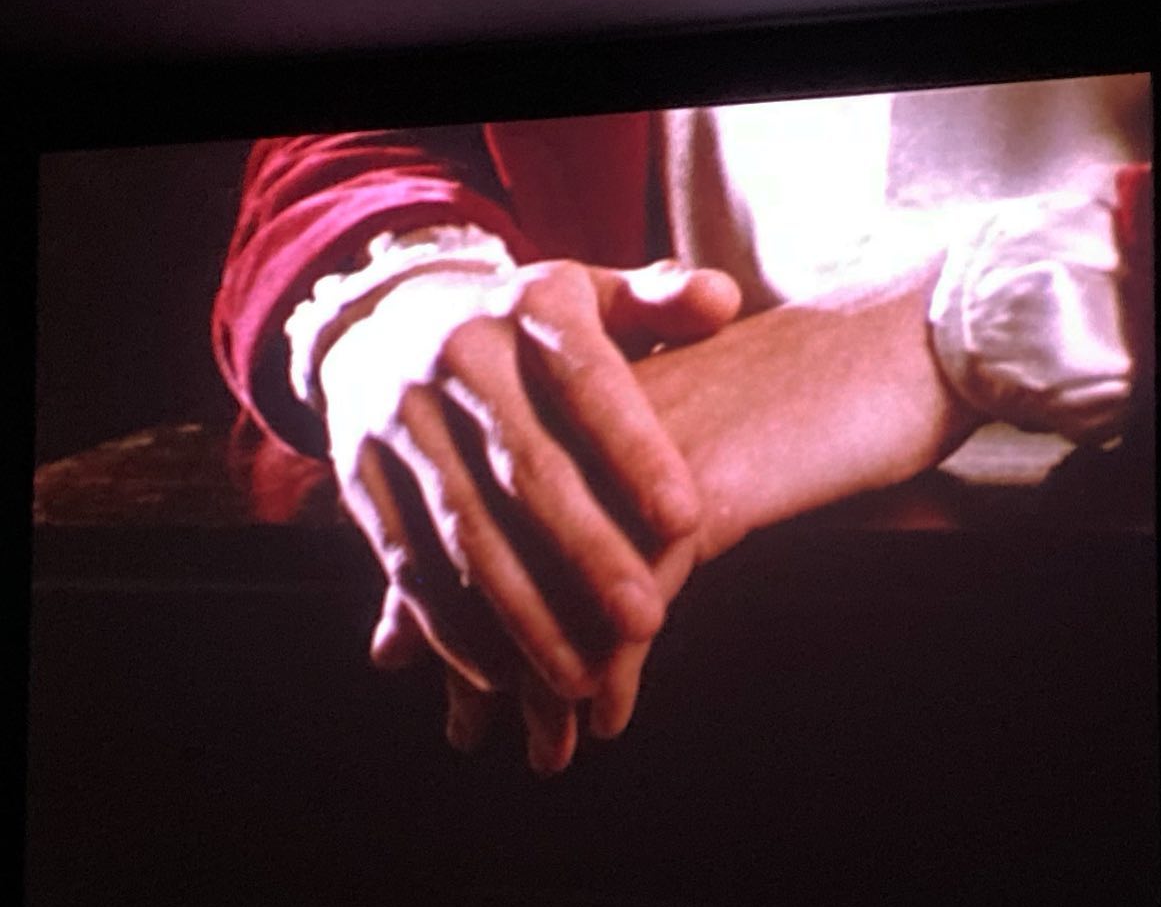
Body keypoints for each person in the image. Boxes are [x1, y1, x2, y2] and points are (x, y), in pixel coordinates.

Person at [214, 75, 1153, 773]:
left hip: (1085, 653)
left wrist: (953, 321)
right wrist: (402, 284)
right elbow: (359, 114)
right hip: (604, 633)